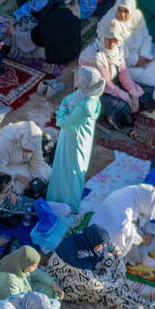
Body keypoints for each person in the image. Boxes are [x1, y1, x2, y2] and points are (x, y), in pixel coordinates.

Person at [45, 66, 103, 212]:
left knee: (69, 170)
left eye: (78, 77)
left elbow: (63, 121)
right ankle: (58, 198)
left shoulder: (85, 105)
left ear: (84, 82)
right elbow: (67, 99)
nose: (75, 79)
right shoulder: (85, 93)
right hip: (73, 135)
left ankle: (69, 204)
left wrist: (63, 111)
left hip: (74, 141)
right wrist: (65, 109)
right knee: (64, 168)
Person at [90, 183, 155, 266]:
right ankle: (139, 257)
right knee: (131, 249)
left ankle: (141, 251)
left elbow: (143, 218)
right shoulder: (124, 215)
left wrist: (149, 233)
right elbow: (122, 233)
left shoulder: (138, 194)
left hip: (124, 227)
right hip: (110, 237)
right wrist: (140, 239)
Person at [30, 0, 81, 67]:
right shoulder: (74, 5)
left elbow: (39, 40)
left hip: (59, 56)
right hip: (71, 48)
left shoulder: (57, 15)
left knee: (23, 42)